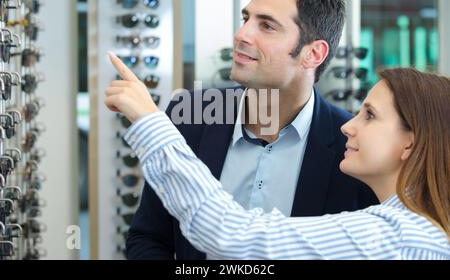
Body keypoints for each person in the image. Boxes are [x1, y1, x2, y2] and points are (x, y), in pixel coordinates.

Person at [124, 0, 378, 260]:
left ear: (313, 53)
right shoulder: (190, 114)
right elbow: (148, 237)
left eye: (267, 26)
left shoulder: (353, 147)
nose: (241, 35)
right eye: (246, 18)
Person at [106, 55, 450, 260]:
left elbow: (233, 234)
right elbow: (148, 236)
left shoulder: (395, 235)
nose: (350, 127)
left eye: (370, 116)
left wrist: (151, 123)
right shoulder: (410, 225)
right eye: (246, 18)